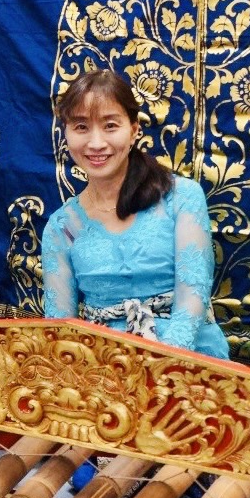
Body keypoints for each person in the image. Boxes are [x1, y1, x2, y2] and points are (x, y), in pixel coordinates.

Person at [42, 69, 229, 360]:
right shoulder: (61, 228)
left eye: (110, 126)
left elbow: (193, 294)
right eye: (81, 127)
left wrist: (162, 366)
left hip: (190, 361)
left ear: (134, 130)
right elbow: (59, 329)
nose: (95, 143)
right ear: (65, 133)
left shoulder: (182, 197)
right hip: (103, 369)